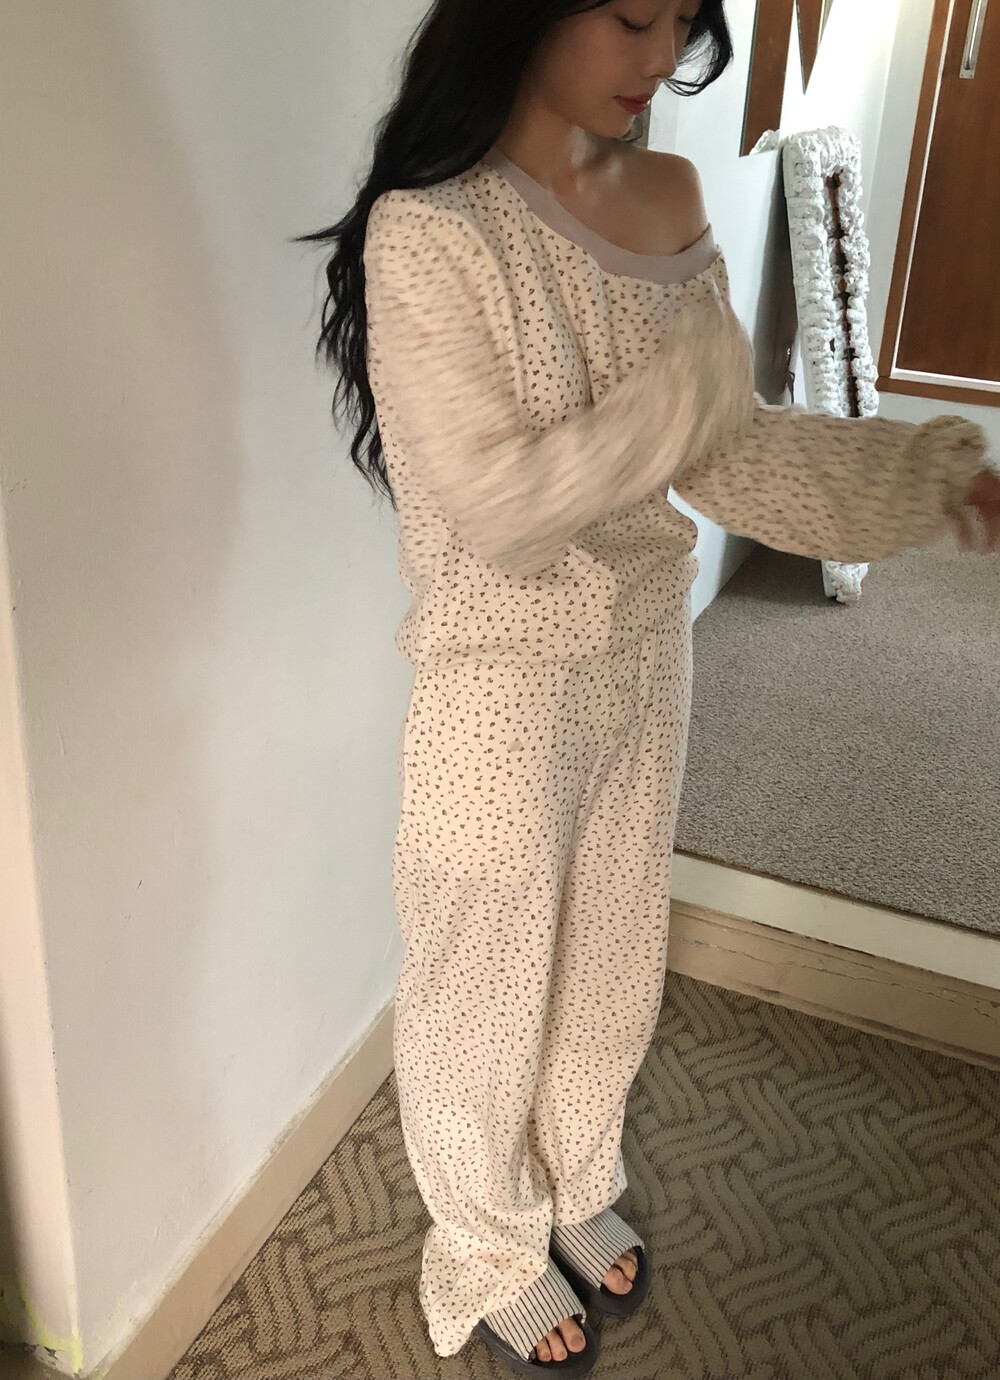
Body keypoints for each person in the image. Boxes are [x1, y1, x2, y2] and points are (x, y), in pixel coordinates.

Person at [295, 1, 1000, 1373]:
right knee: (484, 984)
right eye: (630, 17)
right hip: (496, 684)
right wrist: (693, 390)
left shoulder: (668, 192)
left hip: (641, 653)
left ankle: (575, 1177)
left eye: (682, 20)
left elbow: (727, 456)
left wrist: (924, 480)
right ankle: (486, 1245)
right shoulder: (430, 231)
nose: (662, 59)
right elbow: (500, 508)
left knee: (614, 950)